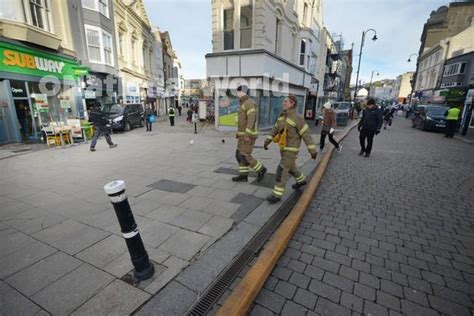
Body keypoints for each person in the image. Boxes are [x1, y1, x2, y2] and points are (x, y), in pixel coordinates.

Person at [264, 95, 317, 204]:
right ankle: (301, 181)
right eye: (283, 101)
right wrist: (266, 141)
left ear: (293, 103)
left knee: (282, 169)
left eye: (286, 101)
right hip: (283, 149)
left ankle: (277, 195)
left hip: (292, 149)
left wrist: (312, 150)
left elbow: (306, 135)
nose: (284, 103)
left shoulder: (298, 117)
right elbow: (274, 131)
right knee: (291, 167)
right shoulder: (281, 117)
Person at [232, 85, 267, 183]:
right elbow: (243, 121)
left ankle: (261, 169)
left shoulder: (249, 103)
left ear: (243, 92)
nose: (237, 94)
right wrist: (239, 134)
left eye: (238, 92)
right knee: (239, 155)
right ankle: (243, 176)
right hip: (242, 136)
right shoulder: (243, 103)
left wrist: (247, 134)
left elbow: (251, 119)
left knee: (244, 155)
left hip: (248, 136)